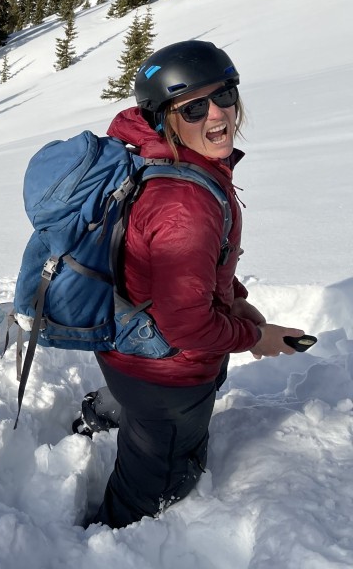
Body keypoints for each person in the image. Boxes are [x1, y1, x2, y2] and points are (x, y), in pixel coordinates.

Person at [75, 39, 306, 529]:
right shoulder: (185, 202)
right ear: (164, 118)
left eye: (225, 94)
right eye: (194, 106)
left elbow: (188, 267)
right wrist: (253, 338)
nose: (217, 114)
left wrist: (236, 302)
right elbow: (185, 326)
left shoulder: (156, 160)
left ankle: (98, 415)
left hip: (127, 345)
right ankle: (111, 539)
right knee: (155, 481)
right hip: (167, 375)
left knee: (139, 407)